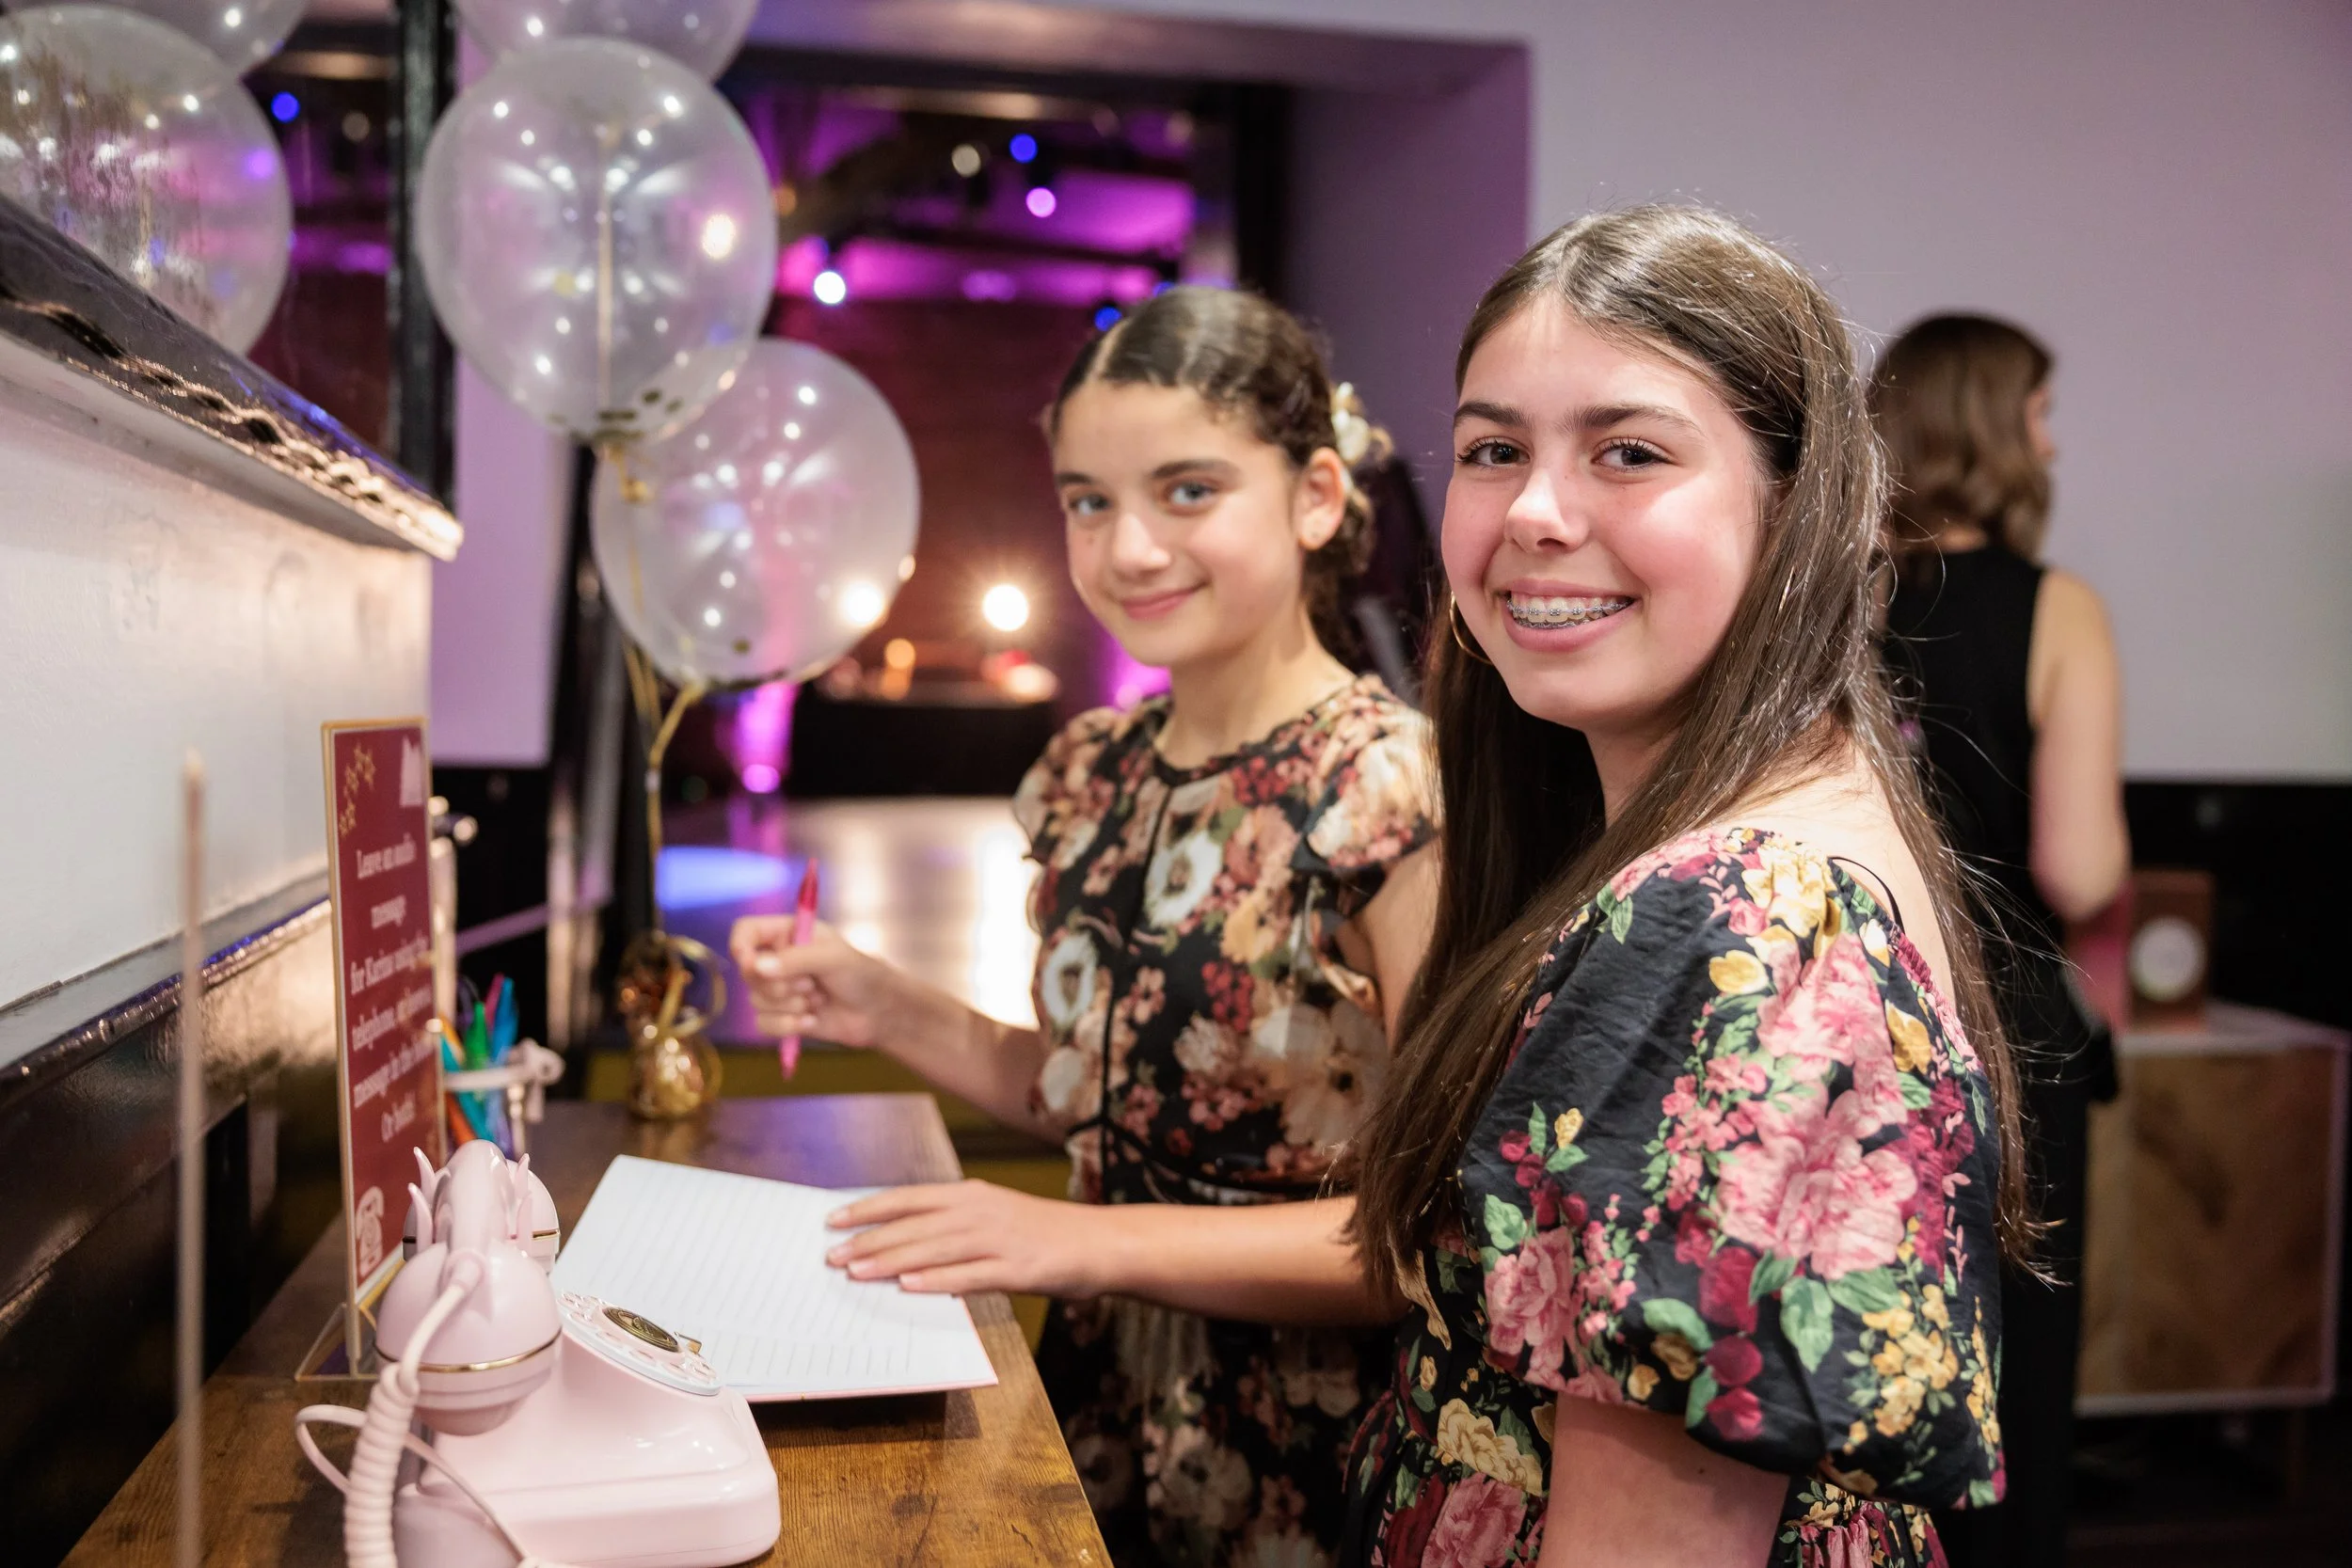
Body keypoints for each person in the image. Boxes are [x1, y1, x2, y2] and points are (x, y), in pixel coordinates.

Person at [1328, 206, 2028, 1567]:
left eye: (1629, 452)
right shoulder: (1753, 817)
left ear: (1795, 498)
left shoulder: (1743, 916)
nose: (1534, 511)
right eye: (1492, 450)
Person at [733, 287, 1440, 1568]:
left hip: (1318, 1456)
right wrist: (877, 1002)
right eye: (1088, 500)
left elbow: (1427, 1232)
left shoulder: (1390, 786)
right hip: (1095, 1410)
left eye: (1187, 490)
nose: (1128, 549)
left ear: (1316, 496)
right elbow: (1103, 1104)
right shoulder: (1091, 771)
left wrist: (1074, 1237)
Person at [1873, 314, 2129, 1568]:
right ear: (1988, 429)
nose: (2052, 440)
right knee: (2009, 1388)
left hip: (1854, 1021)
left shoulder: (1832, 600)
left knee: (1869, 1371)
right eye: (2038, 411)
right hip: (2009, 1043)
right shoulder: (2054, 609)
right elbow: (2079, 869)